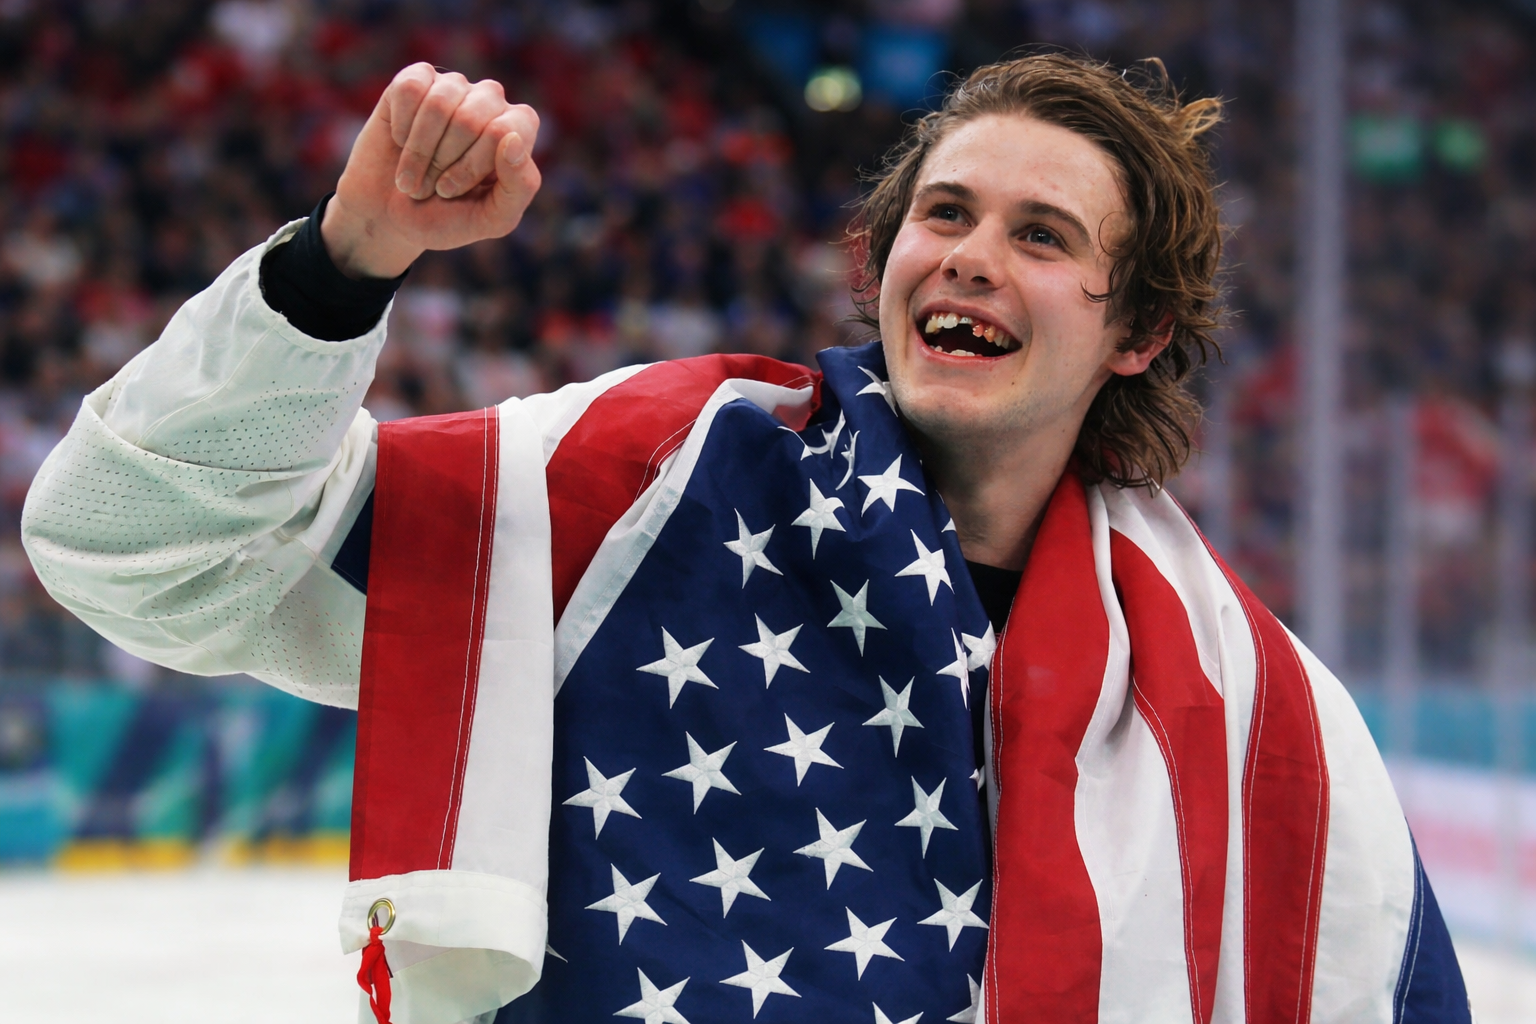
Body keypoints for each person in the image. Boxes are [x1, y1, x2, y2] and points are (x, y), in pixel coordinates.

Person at [22, 55, 1469, 1024]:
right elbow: (133, 543)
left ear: (1138, 331)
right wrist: (346, 263)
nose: (971, 255)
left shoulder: (1249, 709)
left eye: (1043, 236)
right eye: (945, 214)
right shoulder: (635, 489)